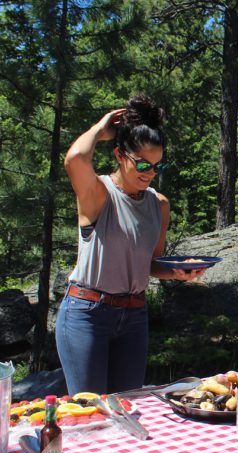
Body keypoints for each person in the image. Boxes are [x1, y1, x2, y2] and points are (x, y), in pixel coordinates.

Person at [57, 94, 205, 395]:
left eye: (156, 167)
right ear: (119, 155)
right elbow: (74, 159)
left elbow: (152, 264)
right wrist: (100, 128)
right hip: (87, 313)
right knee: (89, 411)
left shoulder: (159, 205)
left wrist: (177, 273)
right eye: (142, 164)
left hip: (134, 316)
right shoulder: (98, 193)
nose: (149, 173)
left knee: (127, 406)